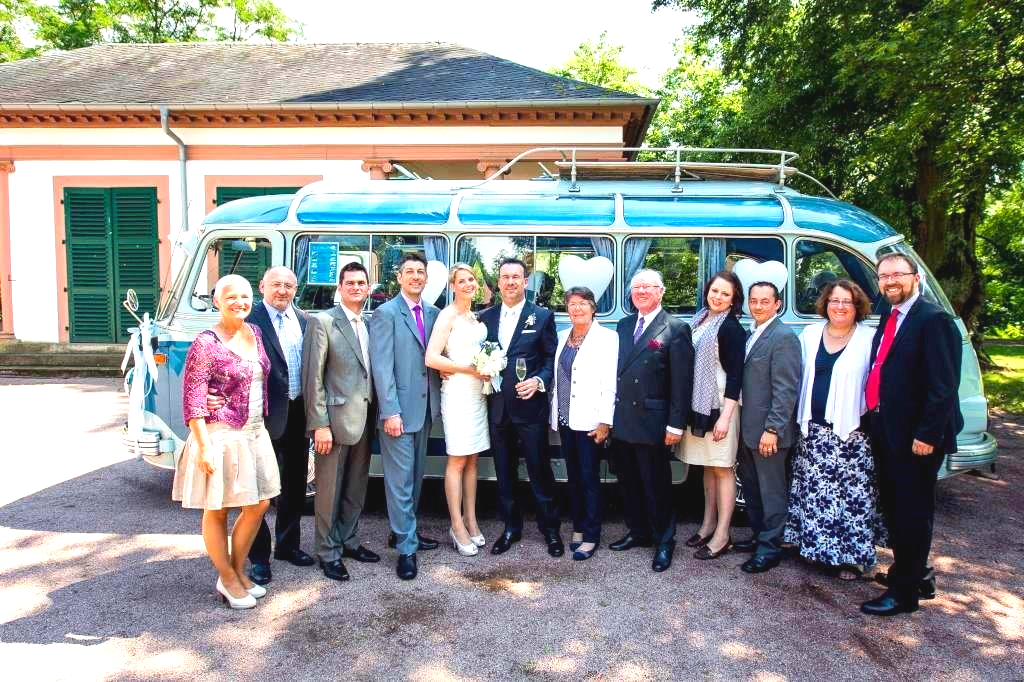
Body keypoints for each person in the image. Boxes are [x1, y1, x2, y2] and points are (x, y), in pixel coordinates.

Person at [861, 254, 962, 616]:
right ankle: (911, 574)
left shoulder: (933, 320)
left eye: (897, 275)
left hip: (916, 438)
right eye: (884, 276)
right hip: (889, 429)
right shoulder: (893, 315)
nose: (889, 281)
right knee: (898, 508)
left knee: (912, 512)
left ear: (915, 277)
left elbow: (944, 386)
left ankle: (904, 596)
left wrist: (928, 435)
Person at [172, 274, 280, 609]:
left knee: (259, 503)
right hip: (221, 434)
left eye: (245, 297)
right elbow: (193, 399)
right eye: (231, 297)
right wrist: (204, 445)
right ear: (217, 301)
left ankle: (233, 572)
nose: (240, 303)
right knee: (216, 508)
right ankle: (230, 577)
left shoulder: (255, 332)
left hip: (254, 431)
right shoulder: (206, 342)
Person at [785, 279, 885, 582]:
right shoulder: (811, 333)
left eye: (847, 301)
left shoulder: (869, 338)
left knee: (850, 498)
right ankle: (816, 550)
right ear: (825, 304)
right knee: (814, 493)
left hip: (852, 434)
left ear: (858, 307)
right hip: (814, 431)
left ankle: (851, 559)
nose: (840, 306)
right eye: (834, 301)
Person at [478, 258, 562, 557]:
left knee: (540, 471)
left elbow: (552, 359)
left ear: (525, 281)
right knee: (504, 472)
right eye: (505, 277)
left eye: (516, 277)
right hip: (498, 407)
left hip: (530, 408)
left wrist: (539, 381)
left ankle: (551, 530)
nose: (510, 282)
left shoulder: (541, 316)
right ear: (498, 283)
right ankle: (511, 528)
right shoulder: (484, 318)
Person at [610, 269, 693, 572]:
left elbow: (682, 383)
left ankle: (664, 540)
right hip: (623, 420)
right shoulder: (623, 325)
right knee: (629, 482)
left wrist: (675, 424)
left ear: (661, 291)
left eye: (648, 287)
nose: (641, 292)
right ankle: (638, 531)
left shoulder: (676, 328)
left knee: (655, 484)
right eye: (636, 287)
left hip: (654, 422)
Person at [302, 261, 379, 582]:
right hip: (332, 423)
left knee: (355, 487)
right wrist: (319, 424)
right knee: (329, 491)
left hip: (364, 418)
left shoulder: (369, 323)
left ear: (368, 287)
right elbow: (313, 378)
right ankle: (327, 551)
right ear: (340, 287)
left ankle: (348, 540)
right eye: (350, 283)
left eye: (361, 283)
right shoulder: (323, 323)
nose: (357, 288)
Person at [237, 266, 313, 586]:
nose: (283, 291)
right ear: (262, 286)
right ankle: (259, 557)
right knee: (259, 491)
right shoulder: (248, 322)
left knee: (295, 485)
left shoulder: (305, 320)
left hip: (298, 412)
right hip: (262, 417)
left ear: (296, 289)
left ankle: (287, 546)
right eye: (276, 285)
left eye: (289, 286)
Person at [369, 253, 442, 580]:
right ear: (398, 278)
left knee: (414, 478)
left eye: (420, 272)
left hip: (425, 409)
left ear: (426, 279)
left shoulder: (434, 313)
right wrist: (390, 411)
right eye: (409, 272)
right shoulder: (385, 314)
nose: (415, 276)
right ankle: (406, 551)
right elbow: (381, 368)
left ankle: (402, 532)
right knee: (399, 483)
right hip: (398, 412)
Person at [734, 281, 802, 574]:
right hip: (748, 429)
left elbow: (786, 389)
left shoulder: (784, 337)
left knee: (771, 492)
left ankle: (770, 549)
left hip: (768, 433)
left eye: (765, 301)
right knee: (752, 489)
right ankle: (759, 535)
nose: (758, 306)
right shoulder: (753, 334)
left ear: (777, 304)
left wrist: (773, 429)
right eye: (754, 301)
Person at [679, 270, 745, 560]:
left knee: (722, 468)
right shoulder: (701, 318)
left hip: (719, 407)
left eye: (725, 294)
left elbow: (736, 377)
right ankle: (707, 526)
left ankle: (722, 535)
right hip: (701, 404)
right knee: (707, 467)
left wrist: (726, 417)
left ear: (733, 300)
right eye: (714, 291)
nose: (717, 297)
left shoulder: (730, 328)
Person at [425, 263, 491, 556]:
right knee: (457, 461)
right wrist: (469, 369)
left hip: (478, 395)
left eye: (471, 279)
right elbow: (432, 357)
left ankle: (472, 520)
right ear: (453, 286)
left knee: (473, 460)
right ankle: (456, 525)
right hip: (457, 395)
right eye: (461, 280)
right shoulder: (448, 315)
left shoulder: (474, 316)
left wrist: (489, 368)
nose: (468, 284)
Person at [549, 286, 618, 561]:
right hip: (566, 417)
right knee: (573, 477)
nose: (577, 308)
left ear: (593, 307)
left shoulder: (607, 337)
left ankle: (591, 535)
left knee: (590, 479)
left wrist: (605, 421)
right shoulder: (562, 335)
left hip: (591, 420)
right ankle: (578, 526)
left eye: (582, 303)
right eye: (572, 304)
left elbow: (609, 382)